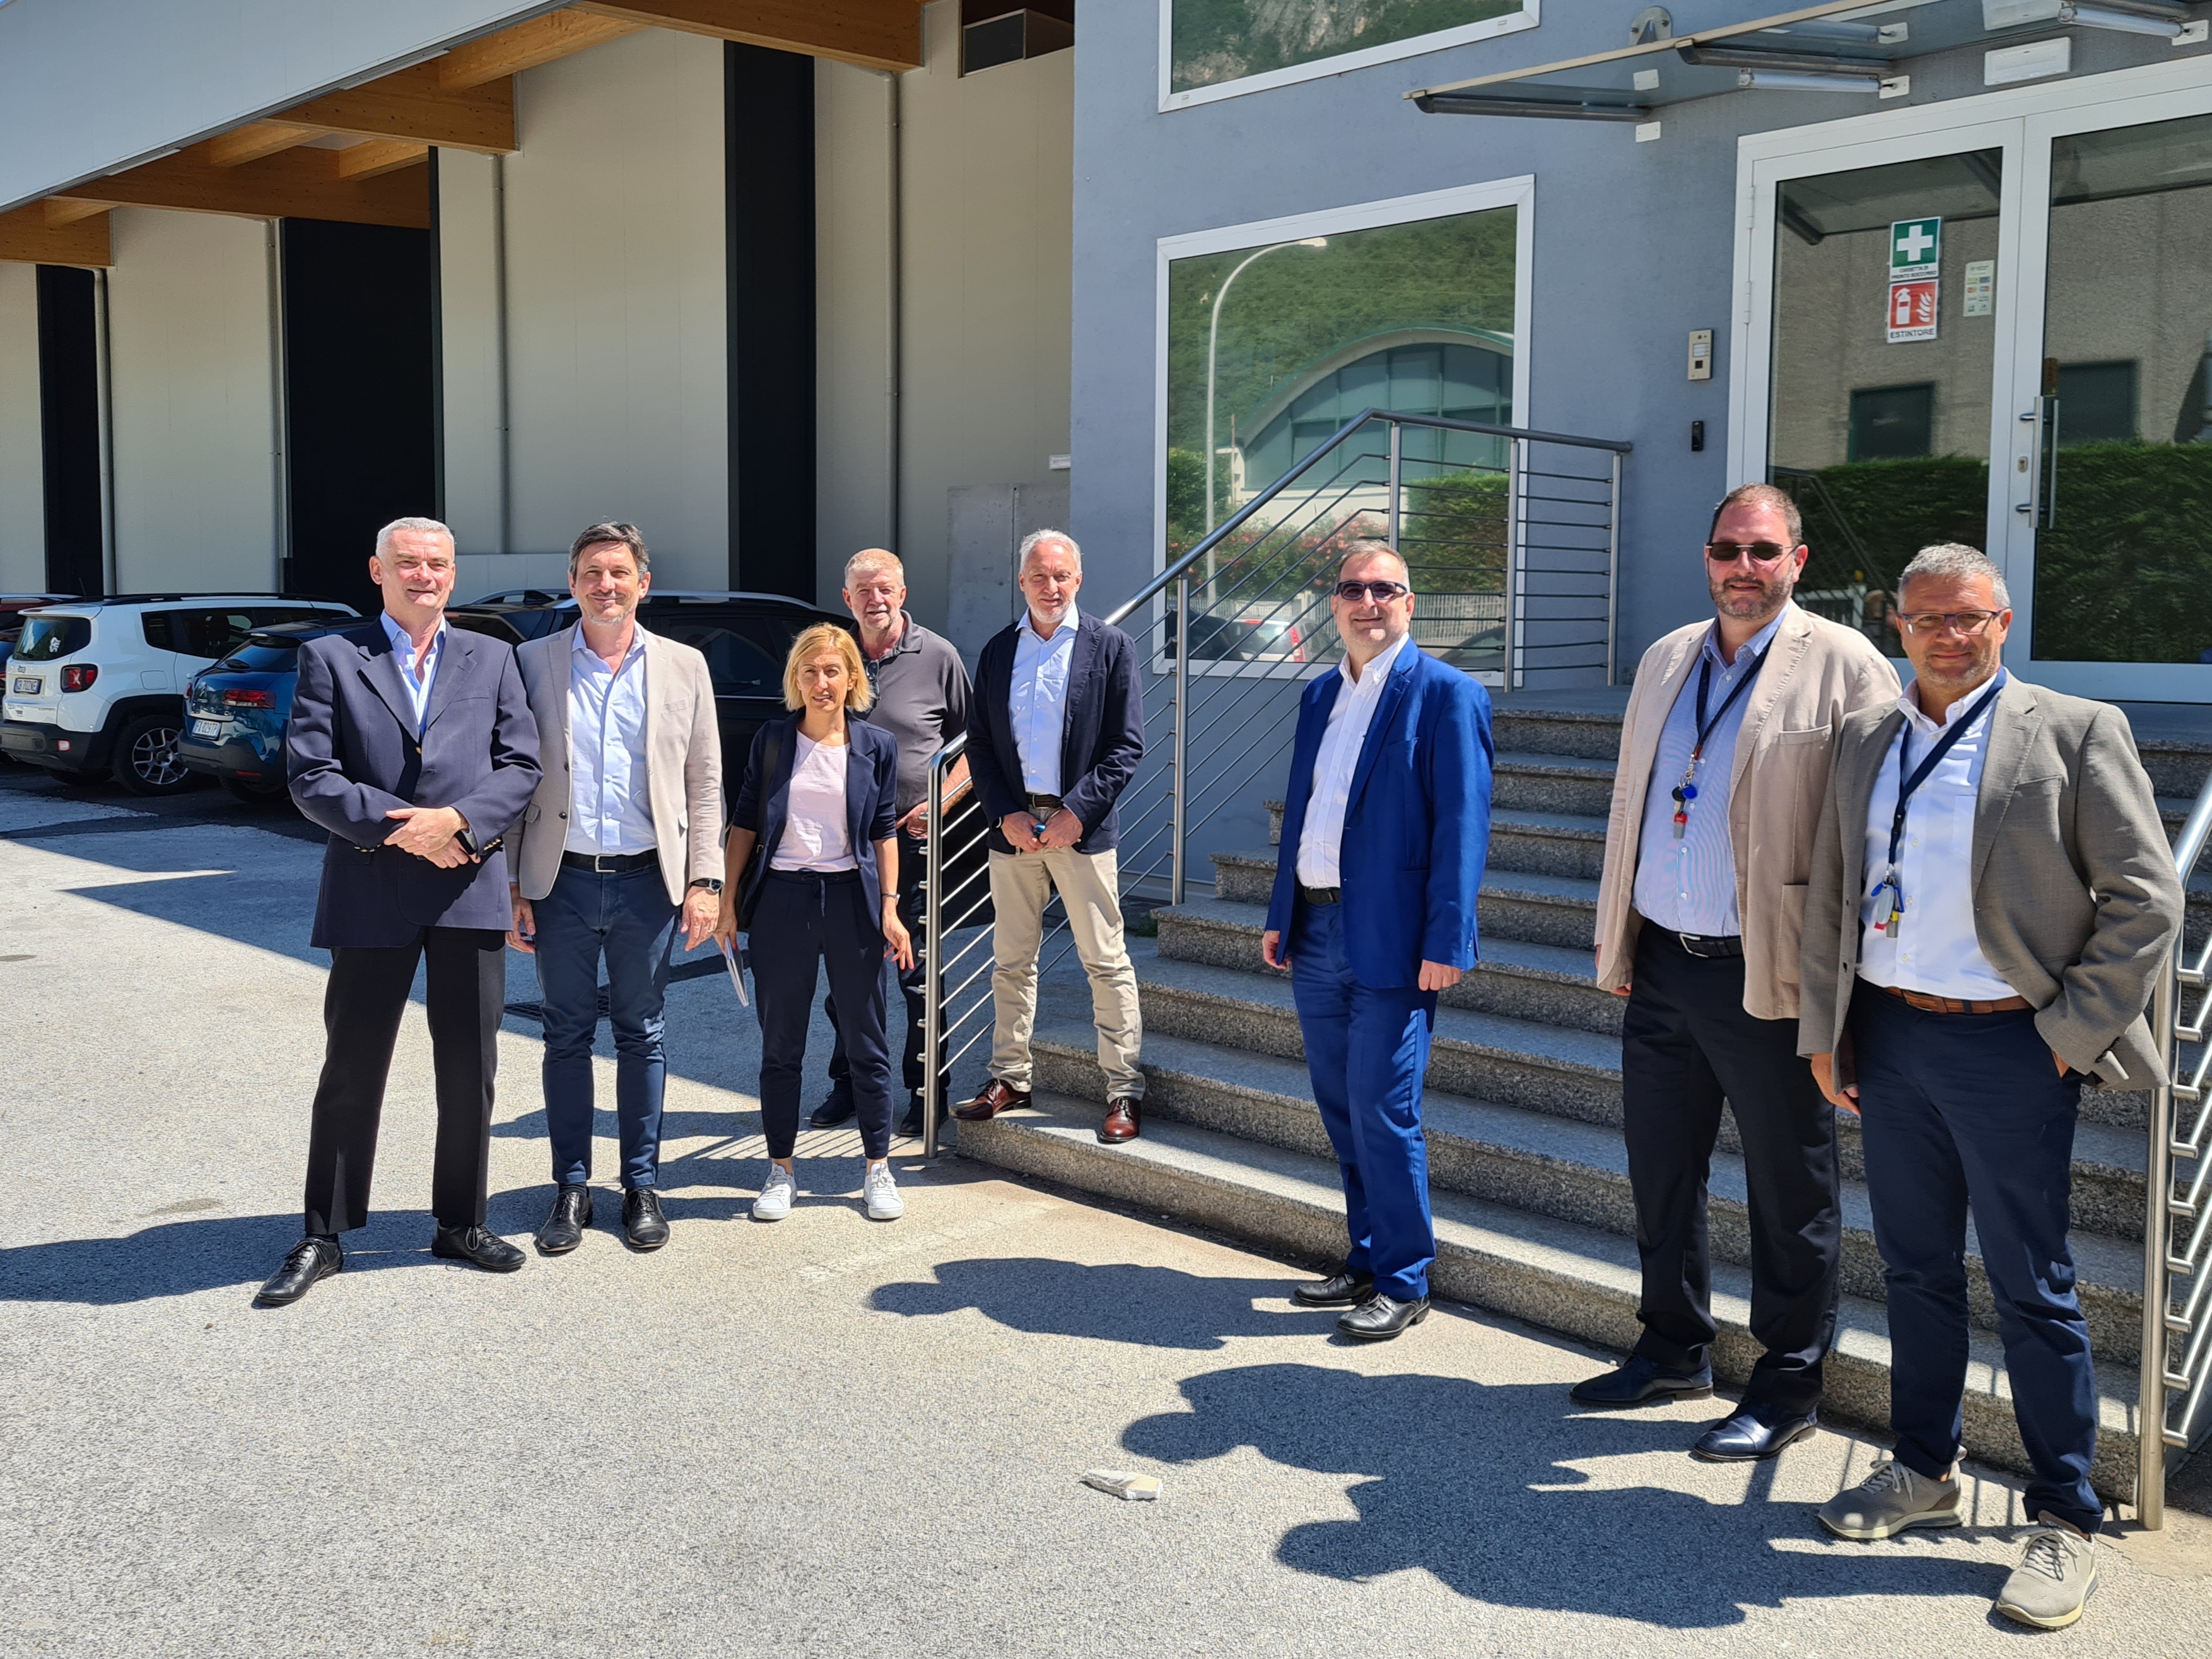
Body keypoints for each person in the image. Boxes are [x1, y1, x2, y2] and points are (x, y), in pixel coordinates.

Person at [1800, 544, 2182, 1631]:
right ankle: (1923, 1467)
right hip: (1889, 1036)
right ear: (1896, 624)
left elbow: (2146, 898)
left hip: (2012, 1046)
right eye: (1926, 617)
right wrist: (1825, 1032)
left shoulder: (2073, 729)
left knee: (2030, 1283)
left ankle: (2062, 1514)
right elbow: (1831, 889)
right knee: (1914, 1269)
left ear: (2002, 622)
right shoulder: (1864, 735)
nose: (1948, 635)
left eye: (1968, 616)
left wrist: (2067, 1033)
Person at [1576, 483, 1897, 1458]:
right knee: (1660, 1169)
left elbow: (1875, 832)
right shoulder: (1667, 657)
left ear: (1796, 560)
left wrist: (1850, 992)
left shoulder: (1843, 662)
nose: (1742, 568)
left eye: (1763, 550)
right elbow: (1632, 804)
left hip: (1770, 971)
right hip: (1662, 962)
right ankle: (1671, 1345)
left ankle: (1788, 1382)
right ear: (1707, 557)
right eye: (1726, 549)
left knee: (1787, 1188)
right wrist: (1620, 937)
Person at [255, 517, 542, 1307]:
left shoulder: (494, 656)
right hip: (371, 885)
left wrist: (458, 822)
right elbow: (311, 776)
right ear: (377, 570)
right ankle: (324, 1232)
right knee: (352, 1065)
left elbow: (522, 764)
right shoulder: (331, 655)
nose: (424, 574)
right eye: (408, 562)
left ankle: (461, 1221)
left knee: (470, 1068)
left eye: (437, 562)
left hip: (467, 885)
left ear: (453, 573)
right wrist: (409, 829)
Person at [1258, 541, 1492, 1341]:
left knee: (1385, 1110)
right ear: (1334, 604)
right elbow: (1306, 809)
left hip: (1395, 940)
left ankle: (1404, 1276)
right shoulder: (1320, 693)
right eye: (1353, 589)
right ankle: (1364, 1257)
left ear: (1409, 602)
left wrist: (1448, 937)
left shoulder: (1448, 694)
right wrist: (1282, 910)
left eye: (1384, 589)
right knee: (1341, 1107)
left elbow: (1463, 825)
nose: (1368, 603)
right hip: (1316, 927)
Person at [505, 522, 723, 1255]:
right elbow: (510, 778)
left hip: (648, 885)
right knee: (565, 1033)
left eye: (619, 572)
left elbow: (704, 782)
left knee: (642, 1032)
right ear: (572, 584)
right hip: (560, 880)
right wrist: (512, 882)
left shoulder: (684, 666)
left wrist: (705, 879)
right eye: (592, 572)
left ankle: (640, 1185)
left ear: (642, 584)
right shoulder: (532, 662)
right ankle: (571, 1186)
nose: (606, 584)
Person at [715, 623, 914, 1222]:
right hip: (783, 901)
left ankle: (877, 1168)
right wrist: (727, 901)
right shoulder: (773, 740)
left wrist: (889, 907)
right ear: (795, 679)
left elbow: (883, 828)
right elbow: (745, 822)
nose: (821, 683)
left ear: (852, 678)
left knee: (867, 1044)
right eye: (809, 672)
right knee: (781, 1047)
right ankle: (780, 1171)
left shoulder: (875, 745)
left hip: (852, 903)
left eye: (832, 671)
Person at [953, 530, 1146, 1143]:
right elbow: (980, 745)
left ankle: (1123, 1089)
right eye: (1039, 575)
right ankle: (1010, 1077)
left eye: (1061, 575)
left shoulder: (1109, 646)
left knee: (1105, 962)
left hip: (1079, 832)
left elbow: (1125, 746)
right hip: (1013, 832)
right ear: (1022, 582)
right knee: (1011, 962)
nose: (1051, 586)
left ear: (1078, 580)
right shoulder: (998, 651)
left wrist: (1076, 813)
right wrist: (1003, 813)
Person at [807, 548, 971, 1140]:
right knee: (848, 971)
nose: (874, 600)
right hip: (843, 843)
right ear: (846, 598)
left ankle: (927, 1092)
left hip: (914, 841)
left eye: (885, 589)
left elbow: (973, 745)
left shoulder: (938, 655)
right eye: (863, 590)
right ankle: (850, 1083)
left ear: (902, 594)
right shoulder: (834, 654)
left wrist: (941, 801)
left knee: (916, 973)